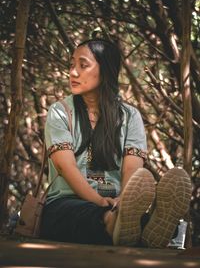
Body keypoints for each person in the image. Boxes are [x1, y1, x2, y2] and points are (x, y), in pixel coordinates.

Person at [40, 38, 192, 247]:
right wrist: (100, 202)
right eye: (72, 64)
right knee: (80, 217)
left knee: (123, 218)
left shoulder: (130, 116)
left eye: (83, 65)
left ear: (106, 70)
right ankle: (122, 227)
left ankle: (131, 226)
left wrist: (122, 200)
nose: (73, 72)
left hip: (118, 203)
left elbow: (132, 169)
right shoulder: (60, 111)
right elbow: (64, 166)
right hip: (68, 202)